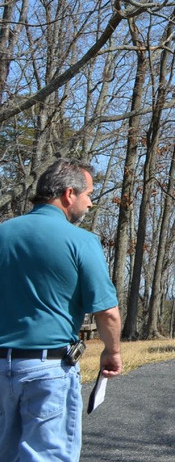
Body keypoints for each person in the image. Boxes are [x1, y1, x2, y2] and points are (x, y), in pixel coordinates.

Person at [0, 158, 123, 462]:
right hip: (48, 370)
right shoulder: (81, 242)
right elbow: (107, 312)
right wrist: (113, 351)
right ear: (69, 194)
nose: (90, 203)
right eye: (89, 194)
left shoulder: (3, 234)